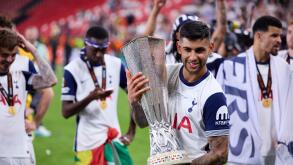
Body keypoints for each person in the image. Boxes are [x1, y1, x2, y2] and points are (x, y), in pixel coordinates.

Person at [127, 21, 229, 164]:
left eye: (199, 50)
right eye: (188, 50)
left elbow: (220, 153)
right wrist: (135, 102)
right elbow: (143, 122)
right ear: (179, 48)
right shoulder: (164, 76)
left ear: (210, 48)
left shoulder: (213, 96)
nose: (193, 57)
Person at [216, 15, 293, 164]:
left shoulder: (283, 68)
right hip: (244, 153)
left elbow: (289, 108)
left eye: (280, 36)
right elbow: (219, 108)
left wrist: (285, 139)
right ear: (259, 36)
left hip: (277, 152)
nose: (279, 40)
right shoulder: (232, 67)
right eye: (274, 35)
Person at [61, 26, 135, 165]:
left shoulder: (116, 64)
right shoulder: (72, 70)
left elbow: (134, 96)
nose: (99, 54)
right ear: (85, 44)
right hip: (87, 145)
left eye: (103, 49)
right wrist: (90, 98)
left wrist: (131, 131)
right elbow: (65, 111)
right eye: (95, 49)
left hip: (115, 140)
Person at [0, 29, 57, 164]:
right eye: (4, 55)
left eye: (13, 55)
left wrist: (33, 50)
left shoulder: (21, 72)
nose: (9, 60)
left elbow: (51, 80)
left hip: (21, 152)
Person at [143, 0, 226, 76]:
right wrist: (156, 9)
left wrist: (221, 2)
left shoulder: (206, 53)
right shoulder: (166, 56)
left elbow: (221, 30)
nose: (189, 33)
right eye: (185, 30)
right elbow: (144, 42)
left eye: (193, 28)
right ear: (176, 35)